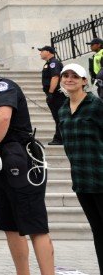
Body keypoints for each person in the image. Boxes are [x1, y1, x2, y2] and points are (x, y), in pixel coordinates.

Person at [0, 51, 54, 275]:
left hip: (20, 160)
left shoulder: (4, 86)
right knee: (10, 226)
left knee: (35, 226)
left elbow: (3, 117)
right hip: (3, 162)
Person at [57, 63, 103, 271]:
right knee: (98, 231)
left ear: (84, 80)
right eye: (65, 75)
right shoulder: (63, 110)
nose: (69, 79)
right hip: (82, 180)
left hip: (101, 176)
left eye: (75, 76)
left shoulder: (96, 105)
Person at [38, 45, 65, 145]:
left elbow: (55, 77)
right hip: (54, 94)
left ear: (48, 52)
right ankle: (60, 137)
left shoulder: (53, 63)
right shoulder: (49, 63)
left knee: (58, 116)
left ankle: (59, 138)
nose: (40, 53)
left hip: (56, 94)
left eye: (42, 51)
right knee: (57, 116)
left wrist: (50, 92)